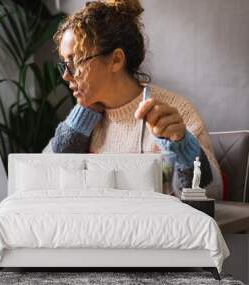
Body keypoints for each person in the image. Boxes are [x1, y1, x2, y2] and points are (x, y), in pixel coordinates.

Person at [42, 0, 222, 199]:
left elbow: (214, 193)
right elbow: (43, 177)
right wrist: (78, 122)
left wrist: (181, 144)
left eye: (74, 63)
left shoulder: (173, 113)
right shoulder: (86, 119)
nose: (66, 76)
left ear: (116, 60)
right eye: (64, 65)